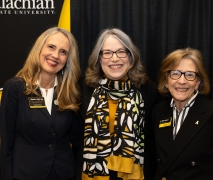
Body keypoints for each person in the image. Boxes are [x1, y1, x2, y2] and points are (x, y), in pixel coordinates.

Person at [0, 27, 83, 180]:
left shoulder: (70, 92)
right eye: (51, 47)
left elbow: (78, 141)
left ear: (67, 60)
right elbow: (6, 143)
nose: (55, 55)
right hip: (25, 175)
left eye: (63, 52)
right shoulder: (15, 88)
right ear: (40, 48)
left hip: (64, 174)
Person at [79, 28, 160, 180]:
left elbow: (153, 141)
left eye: (121, 52)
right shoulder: (84, 90)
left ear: (131, 57)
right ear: (99, 59)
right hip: (94, 173)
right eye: (107, 53)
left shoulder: (148, 91)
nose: (114, 59)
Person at [153, 47, 213, 180]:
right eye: (175, 73)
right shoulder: (158, 111)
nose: (182, 81)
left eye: (190, 75)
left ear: (198, 83)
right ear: (166, 81)